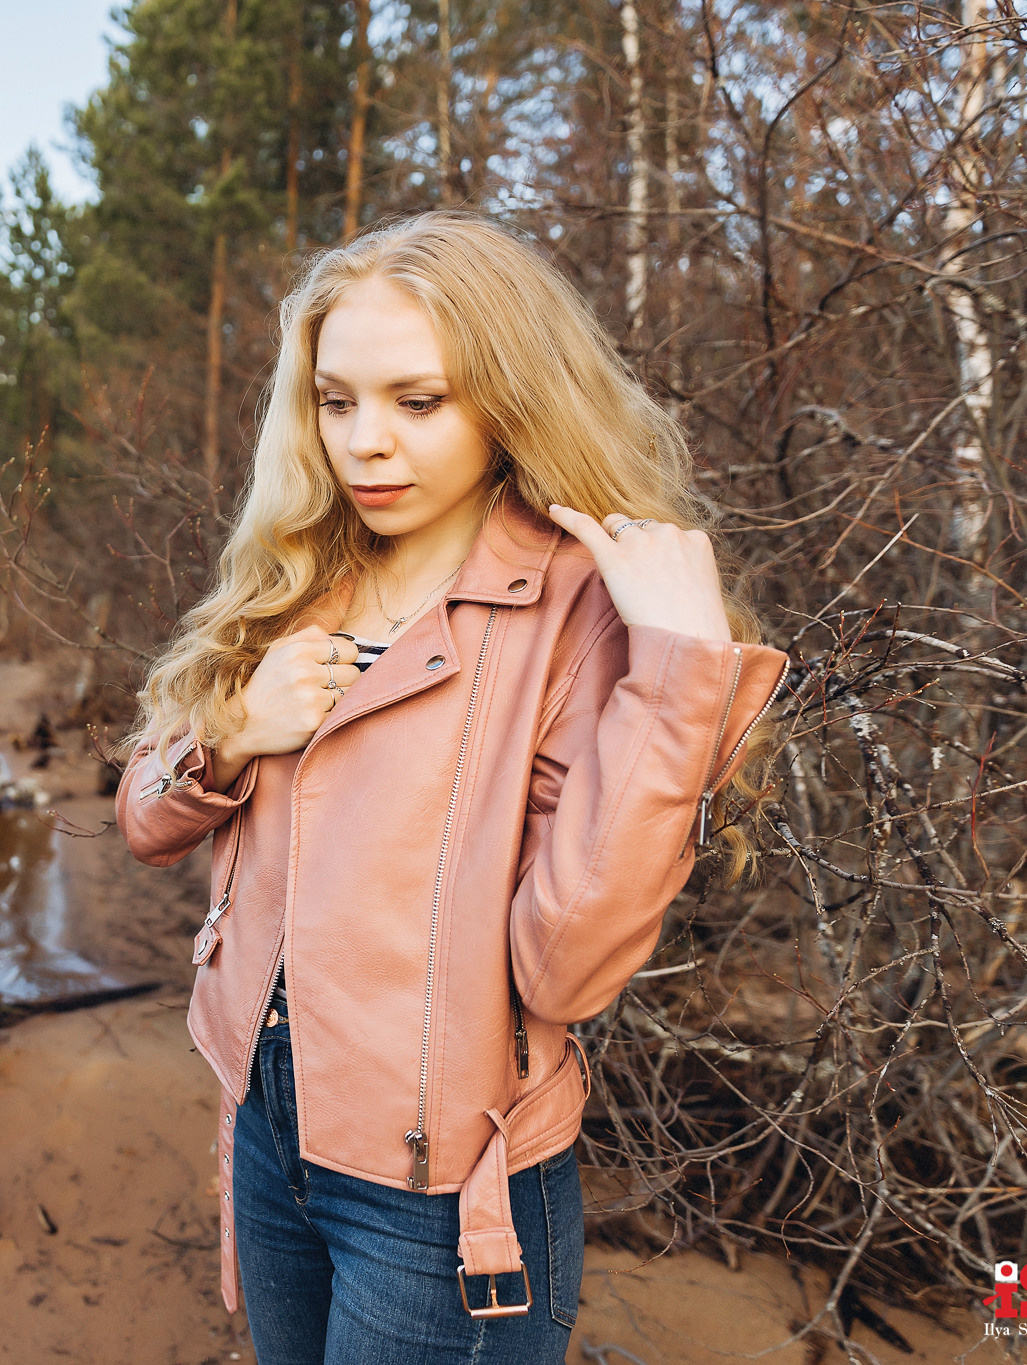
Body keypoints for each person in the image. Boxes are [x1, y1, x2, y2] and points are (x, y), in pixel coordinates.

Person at [113, 210, 789, 1363]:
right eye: (336, 401)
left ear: (506, 398)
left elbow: (563, 968)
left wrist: (677, 679)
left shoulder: (578, 611)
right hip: (266, 1126)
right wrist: (229, 730)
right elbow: (143, 819)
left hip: (440, 1194)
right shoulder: (300, 571)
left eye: (416, 403)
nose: (363, 445)